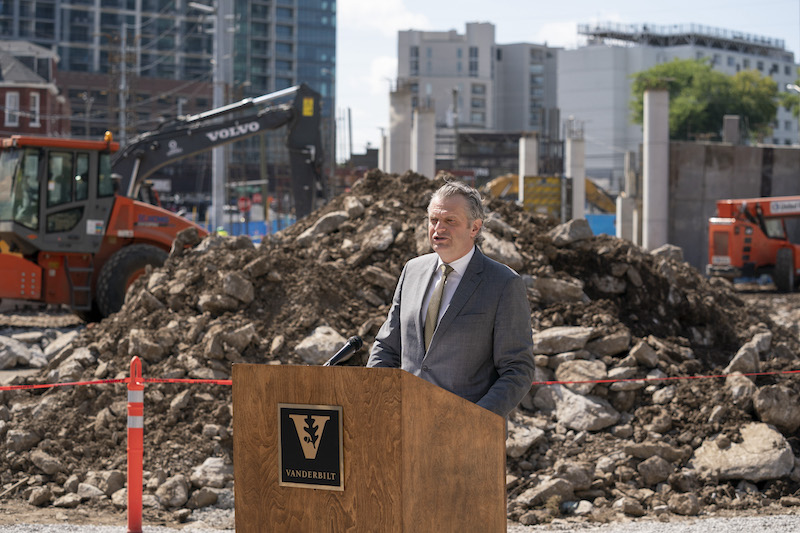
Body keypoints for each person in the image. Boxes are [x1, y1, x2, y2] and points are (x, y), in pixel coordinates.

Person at [367, 180, 535, 419]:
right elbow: (387, 347)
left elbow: (518, 369)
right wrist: (374, 399)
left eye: (450, 221)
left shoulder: (503, 283)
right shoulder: (411, 271)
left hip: (465, 438)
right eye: (433, 220)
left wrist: (476, 419)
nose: (438, 229)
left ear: (475, 228)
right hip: (404, 426)